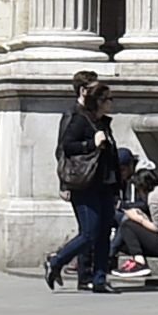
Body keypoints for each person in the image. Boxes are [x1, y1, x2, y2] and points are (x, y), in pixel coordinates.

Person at [43, 75, 127, 294]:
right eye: (109, 98)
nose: (112, 102)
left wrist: (117, 187)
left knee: (102, 233)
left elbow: (110, 158)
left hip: (105, 184)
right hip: (85, 184)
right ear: (98, 101)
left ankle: (98, 278)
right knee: (89, 232)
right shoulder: (78, 119)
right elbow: (66, 148)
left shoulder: (102, 123)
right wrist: (92, 143)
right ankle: (57, 260)